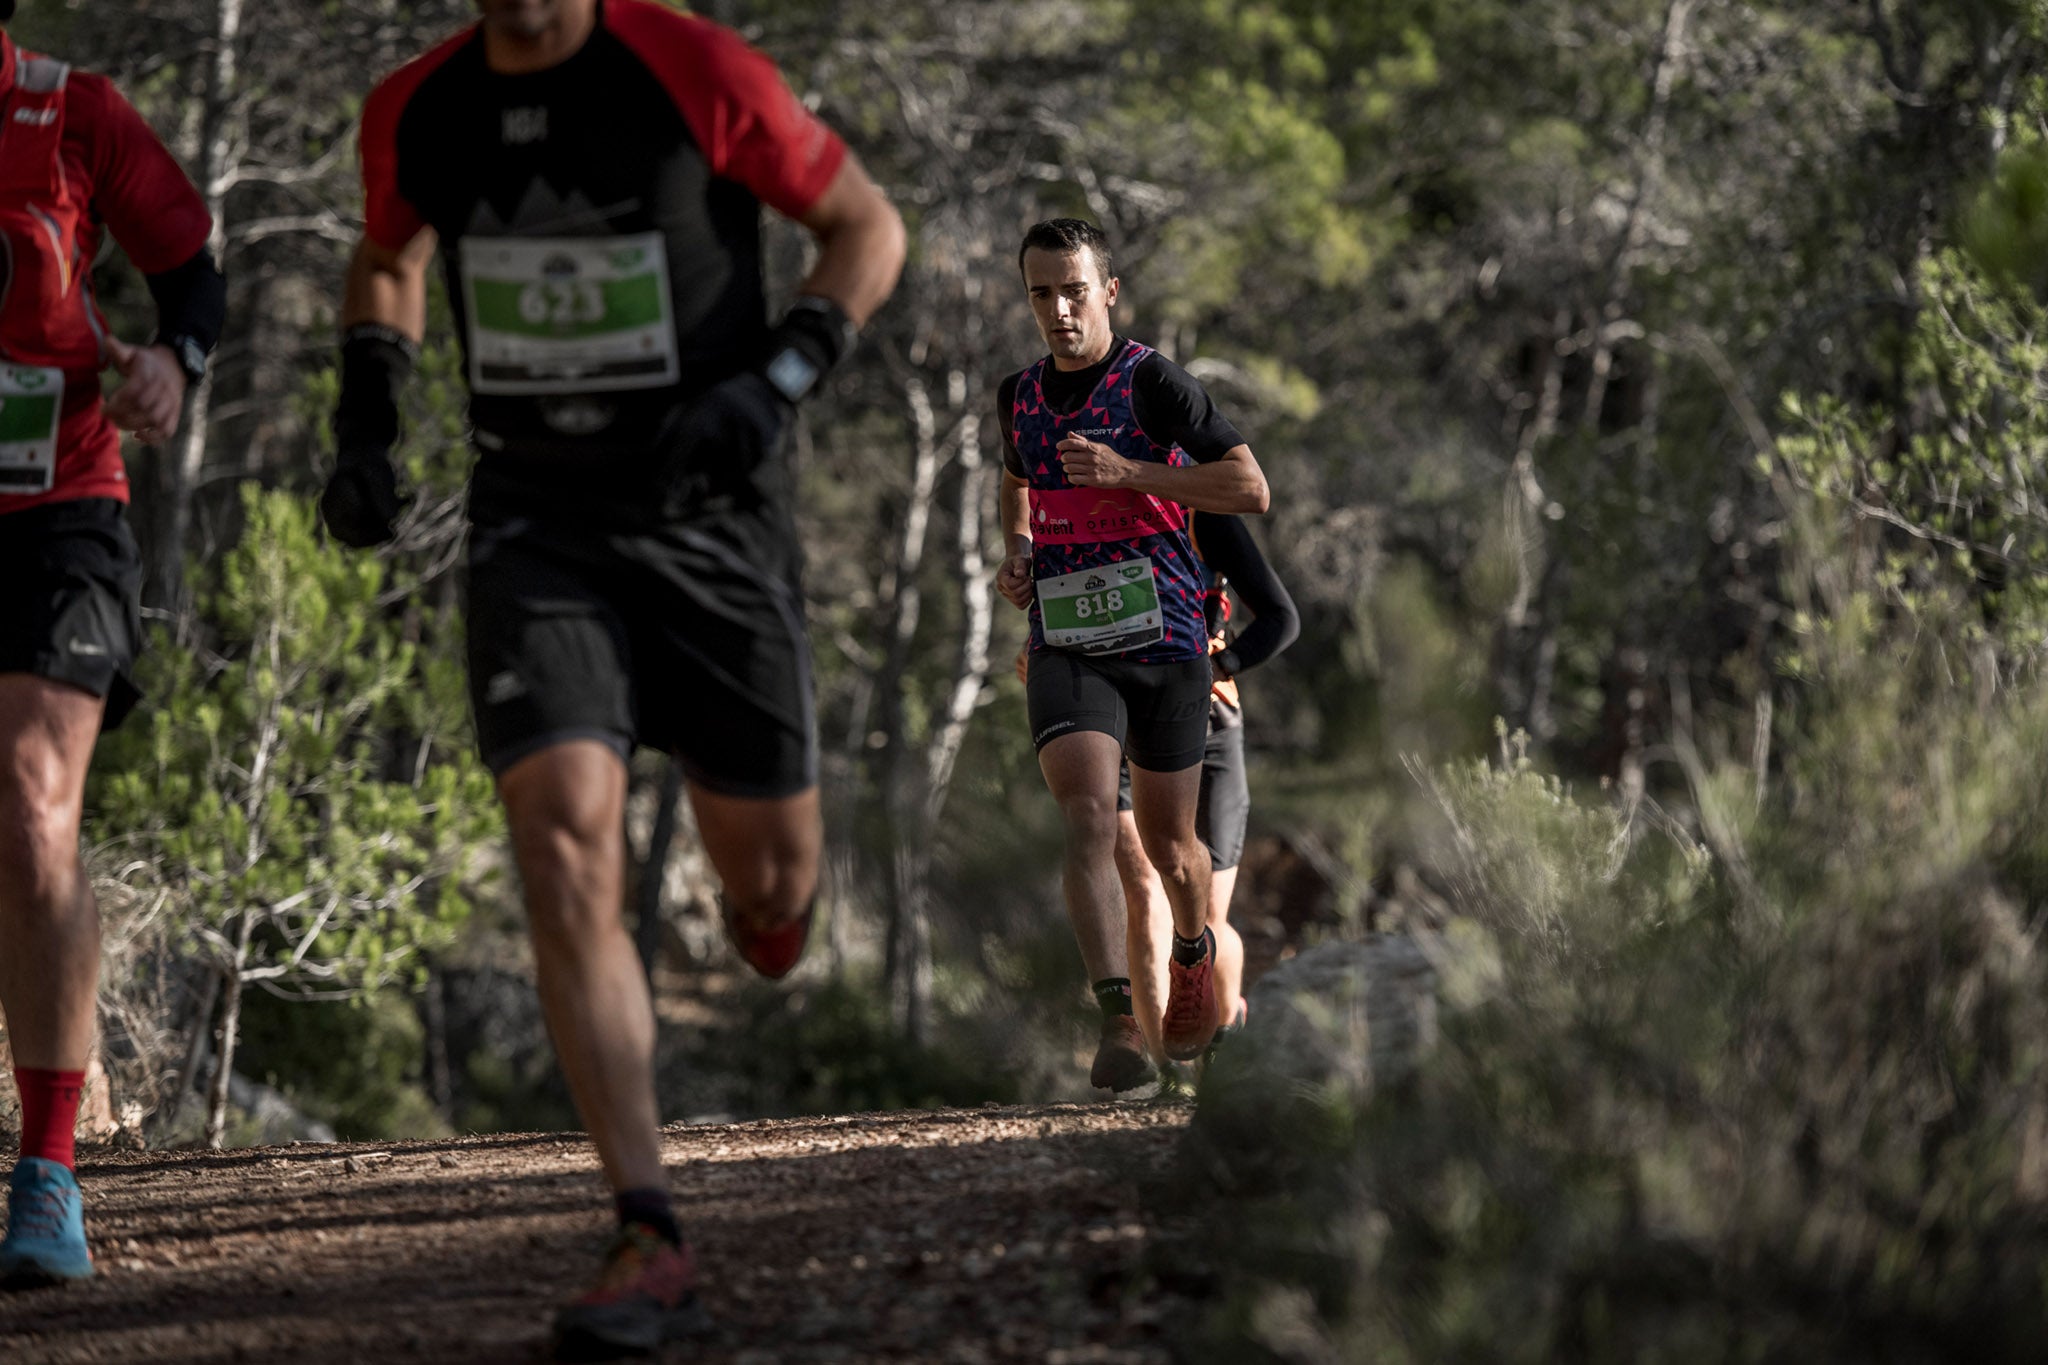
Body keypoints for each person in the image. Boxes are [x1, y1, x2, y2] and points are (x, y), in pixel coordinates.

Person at [320, 1, 902, 1356]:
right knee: (562, 834)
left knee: (768, 888)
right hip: (538, 520)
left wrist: (781, 377)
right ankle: (648, 1228)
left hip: (710, 514)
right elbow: (389, 255)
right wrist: (364, 413)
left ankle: (769, 908)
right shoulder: (420, 107)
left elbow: (867, 228)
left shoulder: (694, 69)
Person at [0, 2, 226, 1290]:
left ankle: (48, 1171)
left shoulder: (73, 114)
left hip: (59, 506)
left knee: (35, 816)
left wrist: (174, 365)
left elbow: (193, 268)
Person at [994, 217, 1269, 1094]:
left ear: (1107, 290)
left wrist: (1131, 474)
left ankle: (1194, 953)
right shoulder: (1021, 397)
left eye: (1075, 290)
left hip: (1169, 644)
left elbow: (1249, 487)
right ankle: (1116, 1015)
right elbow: (1015, 476)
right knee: (1084, 816)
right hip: (1070, 643)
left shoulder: (1154, 384)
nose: (1059, 310)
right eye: (1042, 293)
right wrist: (1020, 548)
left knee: (1172, 847)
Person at [1115, 512, 1298, 1069]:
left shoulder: (1200, 512)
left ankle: (1224, 1036)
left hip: (1210, 725)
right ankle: (1162, 1071)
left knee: (1206, 917)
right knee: (1147, 895)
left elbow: (1281, 619)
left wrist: (1218, 663)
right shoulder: (1084, 506)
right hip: (1118, 722)